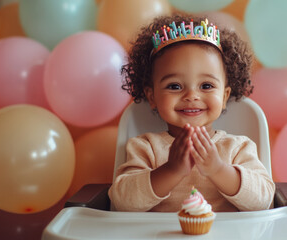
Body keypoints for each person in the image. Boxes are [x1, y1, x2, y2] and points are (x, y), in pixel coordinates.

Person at [108, 15, 275, 212]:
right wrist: (171, 171)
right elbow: (122, 202)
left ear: (224, 97)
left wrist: (218, 169)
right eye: (175, 86)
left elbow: (263, 199)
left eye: (206, 85)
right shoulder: (145, 148)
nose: (191, 95)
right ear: (152, 96)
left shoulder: (238, 148)